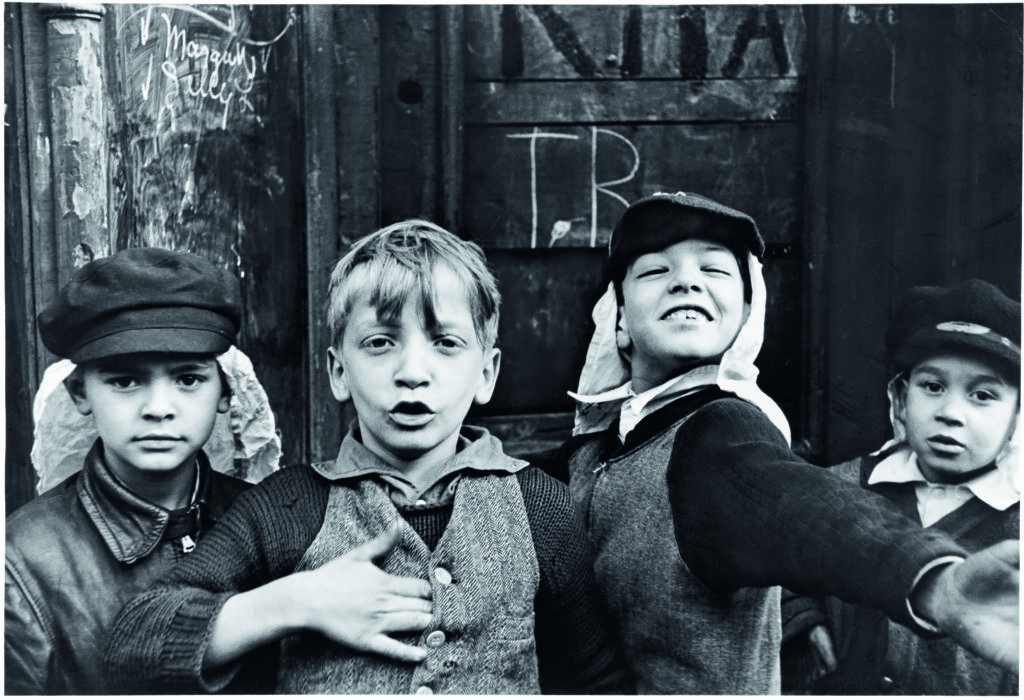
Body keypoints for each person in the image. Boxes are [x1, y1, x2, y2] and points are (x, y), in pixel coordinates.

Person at [104, 219, 629, 694]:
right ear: (338, 372)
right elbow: (134, 642)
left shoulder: (539, 507)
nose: (413, 372)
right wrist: (296, 602)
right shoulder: (288, 508)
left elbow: (596, 681)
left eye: (445, 343)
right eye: (380, 342)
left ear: (486, 374)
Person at [546, 191, 1019, 693]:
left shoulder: (720, 431)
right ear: (617, 319)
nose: (686, 280)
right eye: (655, 271)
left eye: (715, 270)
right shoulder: (594, 450)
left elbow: (808, 508)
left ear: (748, 312)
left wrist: (932, 579)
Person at [4, 247, 261, 694]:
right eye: (124, 381)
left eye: (187, 379)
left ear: (225, 391)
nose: (158, 409)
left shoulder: (268, 519)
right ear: (80, 392)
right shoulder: (22, 561)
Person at [781, 278, 1020, 695]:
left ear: (1017, 417)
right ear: (900, 398)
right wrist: (803, 620)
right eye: (932, 386)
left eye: (982, 395)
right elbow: (783, 561)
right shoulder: (841, 486)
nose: (950, 413)